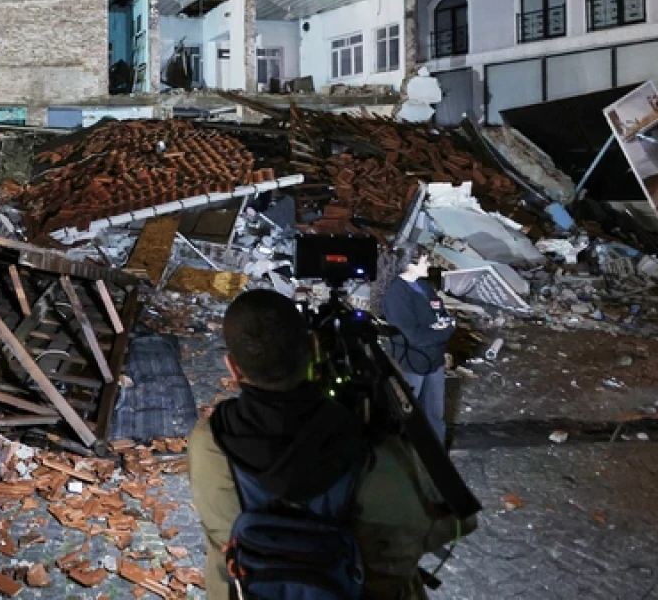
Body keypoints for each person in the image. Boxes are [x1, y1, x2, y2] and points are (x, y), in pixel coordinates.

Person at [188, 290, 467, 600]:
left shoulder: (207, 445)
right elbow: (447, 525)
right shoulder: (371, 449)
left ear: (233, 367)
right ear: (311, 349)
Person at [381, 248, 456, 445]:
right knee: (408, 416)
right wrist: (445, 331)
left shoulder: (423, 285)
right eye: (425, 261)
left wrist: (444, 324)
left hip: (434, 360)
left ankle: (438, 459)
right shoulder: (396, 295)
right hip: (413, 362)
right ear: (410, 264)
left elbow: (440, 311)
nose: (429, 265)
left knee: (435, 416)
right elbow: (412, 336)